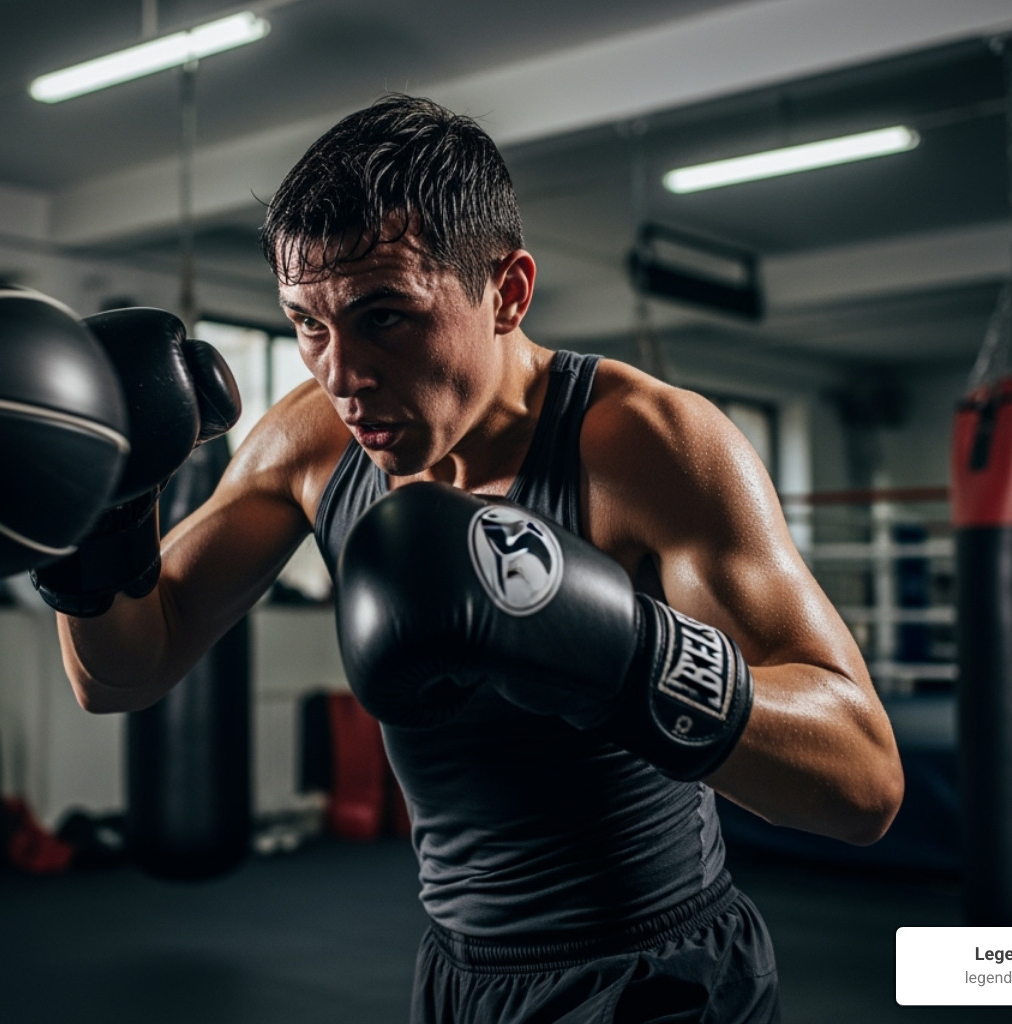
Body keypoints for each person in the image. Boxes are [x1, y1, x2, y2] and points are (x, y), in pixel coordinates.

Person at [44, 94, 904, 1024]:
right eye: (308, 324)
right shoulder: (315, 440)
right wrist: (98, 522)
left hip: (661, 978)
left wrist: (621, 652)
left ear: (508, 291)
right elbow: (125, 669)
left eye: (386, 317)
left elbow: (863, 782)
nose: (342, 374)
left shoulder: (645, 446)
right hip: (461, 982)